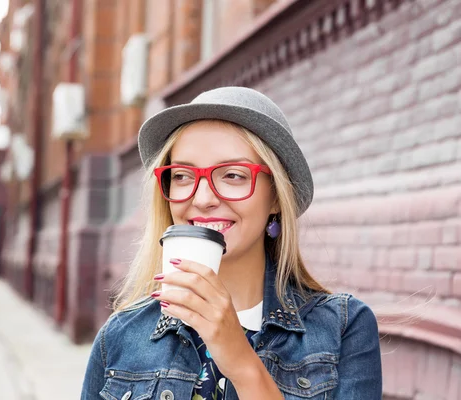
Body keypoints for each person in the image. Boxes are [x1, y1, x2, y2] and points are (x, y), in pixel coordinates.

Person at [80, 86, 382, 399]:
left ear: (276, 196)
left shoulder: (343, 329)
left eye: (233, 175)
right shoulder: (120, 336)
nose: (203, 199)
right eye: (183, 175)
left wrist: (239, 360)